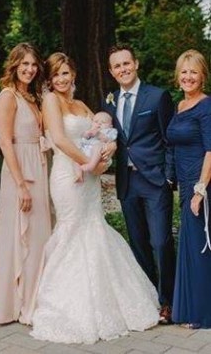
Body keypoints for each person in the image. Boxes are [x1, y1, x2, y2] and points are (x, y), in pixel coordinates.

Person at [31, 52, 159, 344]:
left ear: (73, 73)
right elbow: (62, 141)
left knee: (94, 227)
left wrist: (109, 150)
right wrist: (91, 164)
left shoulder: (80, 104)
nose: (62, 79)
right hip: (68, 177)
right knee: (73, 230)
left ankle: (110, 301)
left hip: (89, 180)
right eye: (57, 74)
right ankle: (66, 305)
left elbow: (104, 133)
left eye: (66, 73)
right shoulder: (51, 101)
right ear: (49, 79)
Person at [103, 43, 176, 325]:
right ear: (111, 71)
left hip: (155, 181)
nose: (123, 69)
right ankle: (149, 298)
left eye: (126, 63)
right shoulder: (108, 101)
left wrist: (169, 177)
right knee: (139, 243)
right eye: (117, 66)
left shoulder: (157, 97)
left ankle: (168, 300)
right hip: (127, 182)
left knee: (160, 241)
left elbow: (169, 140)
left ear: (136, 64)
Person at [0, 42, 51, 325]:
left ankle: (34, 298)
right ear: (14, 65)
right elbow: (5, 141)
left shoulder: (34, 96)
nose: (29, 69)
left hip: (39, 168)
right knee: (20, 236)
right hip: (20, 171)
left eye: (33, 64)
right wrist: (21, 184)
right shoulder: (8, 96)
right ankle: (14, 304)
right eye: (24, 64)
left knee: (40, 236)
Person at [167, 49, 211, 329]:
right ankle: (193, 309)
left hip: (201, 185)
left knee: (200, 248)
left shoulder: (206, 106)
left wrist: (200, 190)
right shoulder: (180, 106)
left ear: (202, 75)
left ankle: (202, 315)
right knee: (192, 246)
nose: (188, 77)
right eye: (184, 71)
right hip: (184, 184)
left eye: (193, 72)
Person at [74, 111, 117, 181]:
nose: (99, 124)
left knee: (97, 146)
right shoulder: (90, 129)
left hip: (98, 152)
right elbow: (84, 138)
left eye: (103, 122)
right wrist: (87, 134)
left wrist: (99, 134)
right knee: (76, 158)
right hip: (86, 150)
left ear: (110, 125)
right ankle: (79, 174)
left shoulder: (110, 131)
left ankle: (91, 166)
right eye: (96, 121)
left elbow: (108, 139)